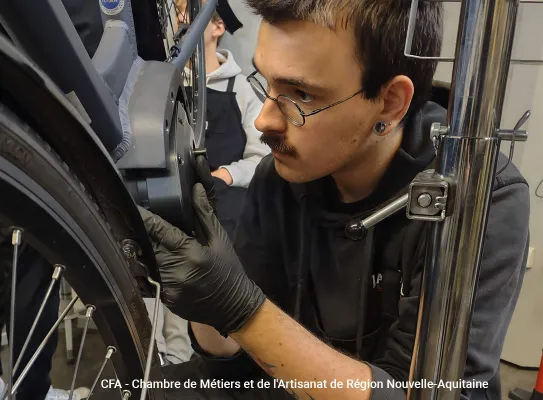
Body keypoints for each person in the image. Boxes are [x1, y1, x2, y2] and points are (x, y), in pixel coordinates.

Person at [140, 1, 530, 399]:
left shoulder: (481, 198)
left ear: (390, 102)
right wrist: (208, 301)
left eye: (301, 95)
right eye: (267, 83)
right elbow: (237, 374)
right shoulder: (278, 179)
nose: (264, 121)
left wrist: (243, 311)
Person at [178, 0, 270, 239]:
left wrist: (227, 175)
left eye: (188, 13)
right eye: (177, 13)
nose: (180, 19)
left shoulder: (242, 89)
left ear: (218, 27)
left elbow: (263, 158)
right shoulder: (169, 86)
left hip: (227, 203)